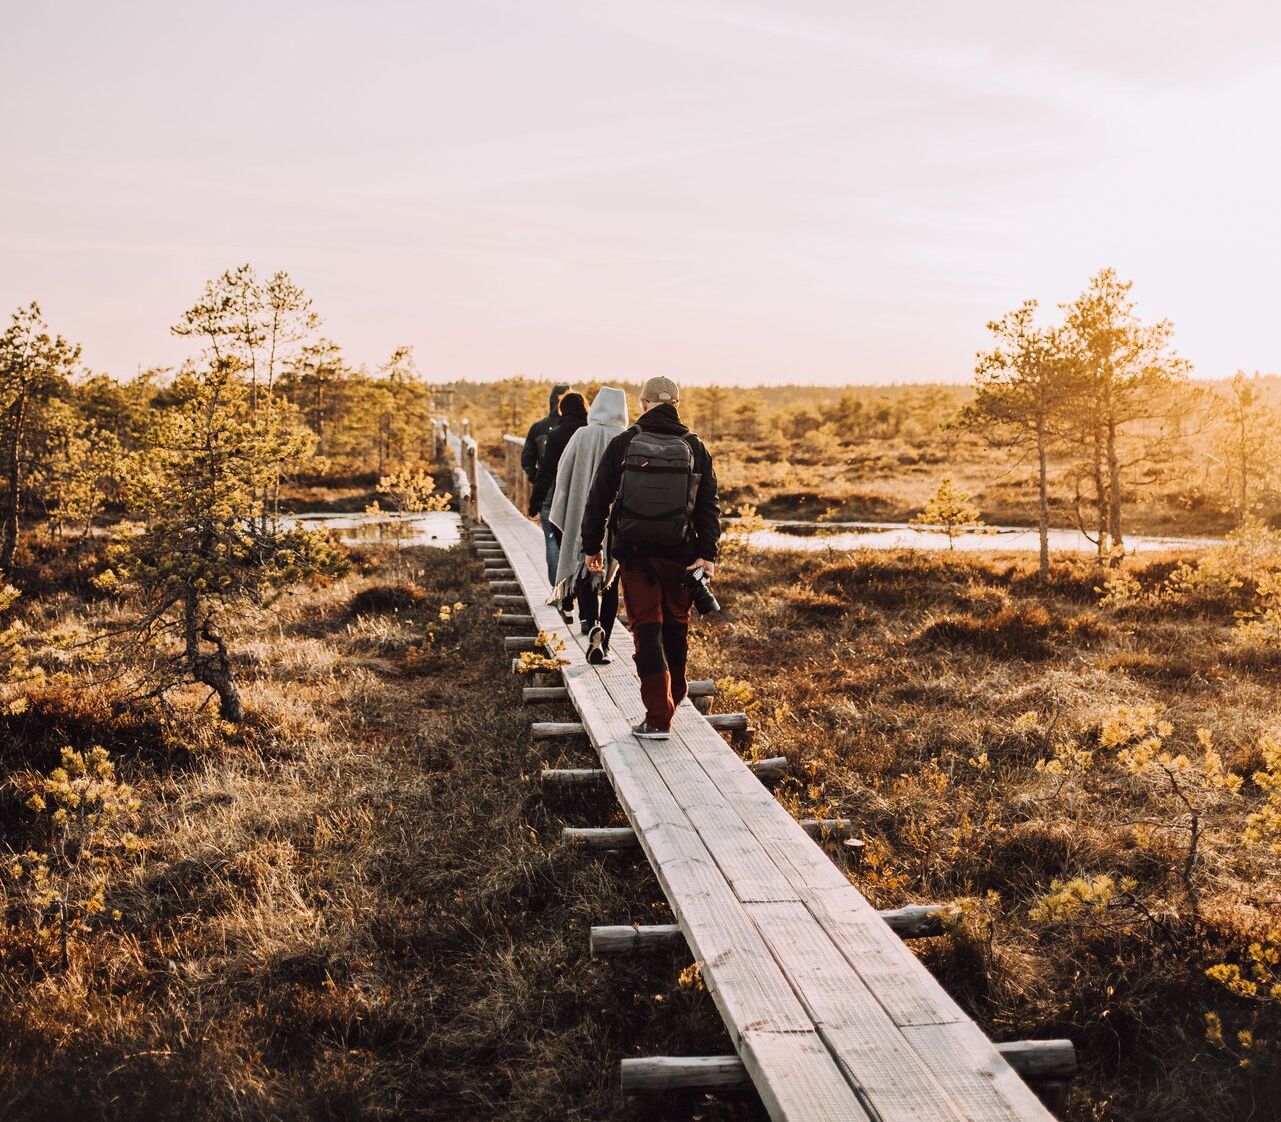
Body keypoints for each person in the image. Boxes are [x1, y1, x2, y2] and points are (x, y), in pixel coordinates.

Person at [580, 376, 720, 739]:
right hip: (681, 555)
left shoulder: (625, 442)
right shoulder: (695, 446)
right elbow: (708, 506)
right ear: (676, 403)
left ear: (643, 404)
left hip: (636, 554)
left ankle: (658, 716)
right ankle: (676, 694)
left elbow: (598, 499)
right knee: (676, 624)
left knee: (646, 627)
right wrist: (707, 554)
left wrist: (591, 547)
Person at [547, 387, 629, 664]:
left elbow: (563, 474)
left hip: (583, 514)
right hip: (616, 519)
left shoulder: (582, 435)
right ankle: (603, 640)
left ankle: (588, 621)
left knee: (585, 568)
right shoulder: (628, 438)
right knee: (611, 579)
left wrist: (567, 508)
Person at [528, 391, 588, 600]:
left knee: (554, 545)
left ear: (562, 409)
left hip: (555, 497)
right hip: (584, 498)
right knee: (582, 545)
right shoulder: (589, 432)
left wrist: (535, 501)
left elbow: (546, 470)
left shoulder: (556, 433)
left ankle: (559, 591)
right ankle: (582, 592)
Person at [522, 383, 570, 583]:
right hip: (571, 488)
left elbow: (527, 460)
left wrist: (537, 479)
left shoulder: (538, 427)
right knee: (571, 538)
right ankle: (570, 588)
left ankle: (555, 587)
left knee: (551, 540)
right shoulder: (577, 427)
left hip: (547, 489)